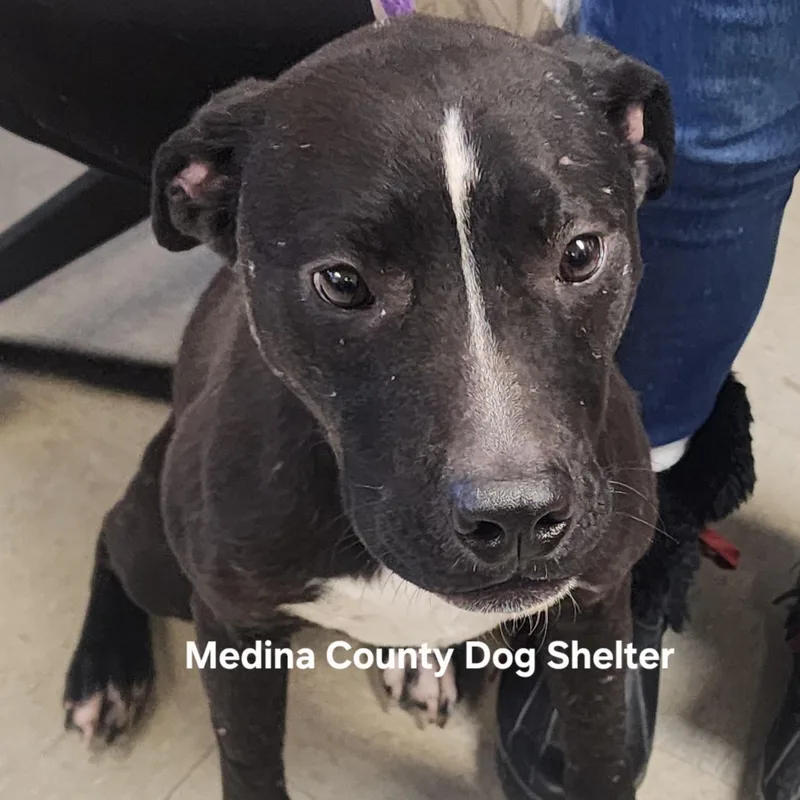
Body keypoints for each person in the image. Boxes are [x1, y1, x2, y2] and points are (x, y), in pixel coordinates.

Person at [1, 0, 797, 796]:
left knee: (592, 583)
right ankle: (113, 576)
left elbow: (597, 614)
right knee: (159, 576)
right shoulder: (242, 502)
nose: (508, 473)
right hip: (293, 498)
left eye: (578, 255)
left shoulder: (598, 472)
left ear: (636, 147)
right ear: (205, 198)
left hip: (412, 526)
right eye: (347, 285)